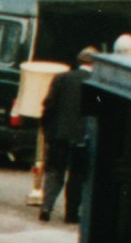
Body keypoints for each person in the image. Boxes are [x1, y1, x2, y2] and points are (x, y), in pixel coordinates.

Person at [38, 47, 94, 225]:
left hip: (58, 134)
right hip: (81, 136)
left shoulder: (62, 77)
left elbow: (48, 105)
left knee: (54, 171)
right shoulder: (94, 83)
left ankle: (46, 207)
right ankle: (71, 214)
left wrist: (47, 130)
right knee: (76, 176)